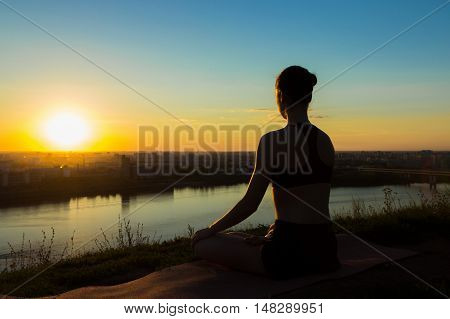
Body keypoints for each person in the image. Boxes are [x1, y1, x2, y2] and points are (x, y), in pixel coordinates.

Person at [192, 66, 340, 279]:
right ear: (309, 97)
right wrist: (273, 233)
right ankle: (269, 237)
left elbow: (250, 204)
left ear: (281, 95)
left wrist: (210, 229)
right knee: (234, 236)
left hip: (286, 256)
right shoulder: (325, 140)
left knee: (205, 243)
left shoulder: (272, 141)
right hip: (325, 251)